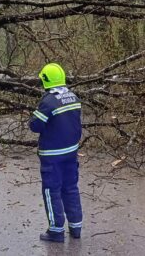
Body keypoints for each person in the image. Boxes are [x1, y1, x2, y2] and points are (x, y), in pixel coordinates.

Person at [28, 62, 84, 243]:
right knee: (71, 188)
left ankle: (56, 231)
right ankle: (76, 227)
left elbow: (35, 126)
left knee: (51, 191)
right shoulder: (73, 97)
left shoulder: (48, 101)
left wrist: (34, 115)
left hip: (52, 155)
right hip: (71, 152)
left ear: (45, 80)